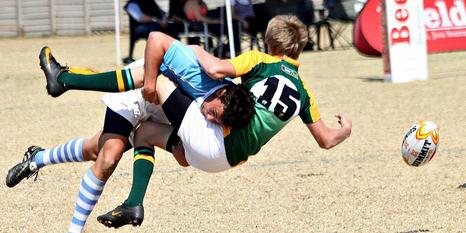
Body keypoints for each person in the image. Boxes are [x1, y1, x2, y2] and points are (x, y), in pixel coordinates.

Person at [25, 15, 352, 229]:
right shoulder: (303, 91)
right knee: (142, 134)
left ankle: (65, 81)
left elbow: (217, 70)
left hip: (211, 140)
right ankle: (133, 202)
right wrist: (345, 129)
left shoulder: (260, 61)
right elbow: (325, 139)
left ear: (271, 44)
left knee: (156, 79)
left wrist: (198, 53)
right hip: (221, 161)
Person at [5, 44, 255, 232]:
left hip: (163, 111)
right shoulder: (209, 74)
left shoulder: (228, 110)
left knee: (95, 148)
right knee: (107, 156)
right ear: (221, 93)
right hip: (139, 89)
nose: (210, 120)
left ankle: (38, 157)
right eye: (213, 114)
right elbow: (165, 45)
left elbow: (185, 158)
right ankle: (74, 229)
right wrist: (148, 83)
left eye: (216, 121)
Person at [123, 0, 180, 64]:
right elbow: (140, 18)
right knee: (154, 29)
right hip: (140, 27)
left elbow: (161, 13)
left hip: (156, 24)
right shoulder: (132, 4)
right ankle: (154, 57)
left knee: (173, 27)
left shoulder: (151, 2)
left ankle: (175, 53)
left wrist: (164, 21)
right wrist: (157, 21)